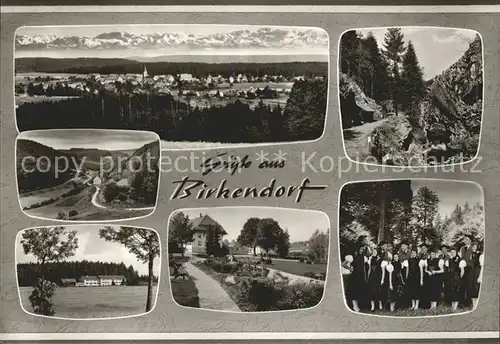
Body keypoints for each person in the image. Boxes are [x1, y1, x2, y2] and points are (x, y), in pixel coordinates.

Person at [350, 246, 372, 312]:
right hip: (355, 276)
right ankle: (355, 306)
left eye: (363, 249)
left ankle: (359, 306)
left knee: (359, 291)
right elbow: (344, 264)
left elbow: (367, 266)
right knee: (354, 291)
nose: (362, 250)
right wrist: (350, 269)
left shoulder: (364, 257)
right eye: (361, 249)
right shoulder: (353, 257)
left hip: (361, 276)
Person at [446, 247, 462, 311]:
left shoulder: (460, 260)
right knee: (451, 291)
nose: (452, 253)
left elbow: (462, 270)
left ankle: (455, 306)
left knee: (456, 291)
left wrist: (459, 278)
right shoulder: (449, 260)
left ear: (456, 252)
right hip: (451, 276)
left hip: (456, 276)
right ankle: (452, 306)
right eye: (451, 252)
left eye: (454, 252)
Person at [468, 243, 483, 310]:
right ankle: (473, 305)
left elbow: (481, 265)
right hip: (471, 272)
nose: (473, 247)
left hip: (477, 272)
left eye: (475, 246)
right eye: (472, 246)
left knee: (476, 288)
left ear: (477, 247)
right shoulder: (470, 254)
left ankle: (476, 305)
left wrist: (480, 276)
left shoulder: (480, 254)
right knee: (471, 287)